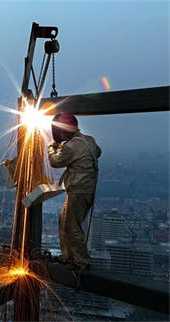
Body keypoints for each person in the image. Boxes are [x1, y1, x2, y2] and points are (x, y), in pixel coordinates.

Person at [48, 112, 101, 270]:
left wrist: (52, 147)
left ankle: (81, 261)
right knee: (63, 222)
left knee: (72, 225)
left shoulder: (70, 146)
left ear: (64, 131)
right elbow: (98, 152)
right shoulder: (89, 140)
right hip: (84, 190)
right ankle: (67, 256)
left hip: (79, 190)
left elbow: (55, 162)